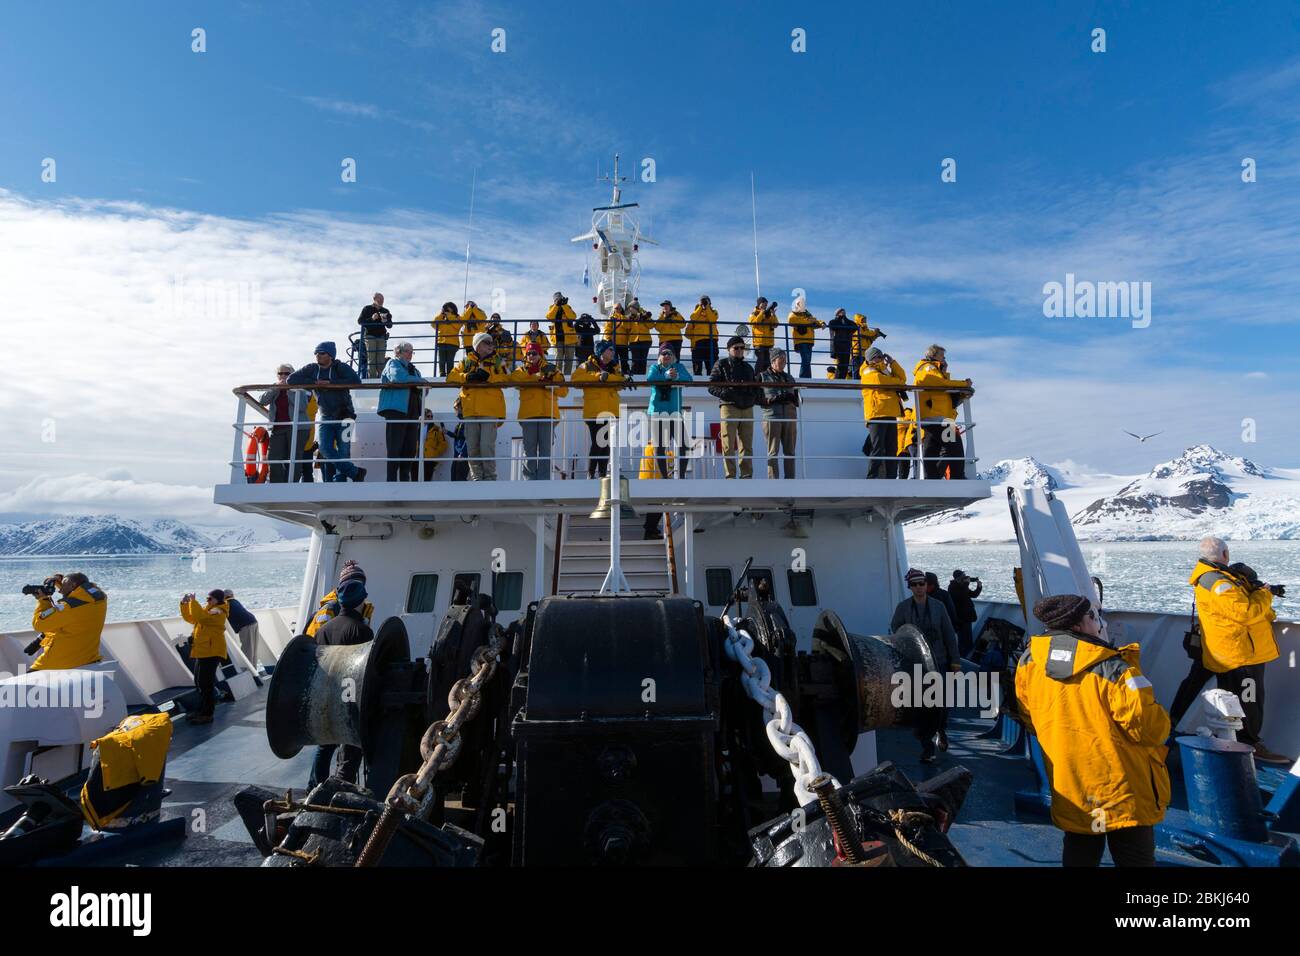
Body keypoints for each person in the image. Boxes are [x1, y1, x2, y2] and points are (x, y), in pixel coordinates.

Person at [1015, 594, 1170, 867]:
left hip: (1073, 785)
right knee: (1134, 857)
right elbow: (1151, 730)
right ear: (1078, 625)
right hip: (1122, 790)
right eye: (1094, 617)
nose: (1100, 623)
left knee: (1080, 852)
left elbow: (1029, 716)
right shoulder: (1116, 670)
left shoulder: (1029, 662)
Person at [1167, 537, 1288, 764]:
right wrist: (1265, 593)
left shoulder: (1217, 577)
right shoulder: (1218, 583)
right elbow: (1245, 613)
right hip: (1239, 654)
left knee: (1222, 693)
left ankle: (1176, 724)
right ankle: (1249, 743)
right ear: (1224, 554)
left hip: (1224, 647)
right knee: (1249, 699)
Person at [891, 568, 961, 762]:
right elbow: (896, 629)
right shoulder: (903, 608)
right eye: (915, 585)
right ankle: (927, 747)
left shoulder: (938, 607)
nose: (919, 588)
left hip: (940, 661)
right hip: (916, 664)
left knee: (944, 702)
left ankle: (942, 730)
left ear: (926, 585)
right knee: (922, 705)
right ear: (910, 587)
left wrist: (955, 661)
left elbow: (949, 634)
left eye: (921, 584)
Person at [308, 579, 372, 789]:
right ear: (360, 602)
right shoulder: (361, 631)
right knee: (351, 742)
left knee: (325, 745)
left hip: (325, 693)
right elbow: (362, 670)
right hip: (349, 691)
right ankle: (343, 785)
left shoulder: (324, 630)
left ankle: (315, 787)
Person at [287, 343, 366, 483]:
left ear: (330, 355)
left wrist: (330, 382)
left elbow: (356, 381)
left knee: (344, 451)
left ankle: (340, 480)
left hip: (345, 415)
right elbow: (291, 380)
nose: (318, 355)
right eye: (316, 353)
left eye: (322, 353)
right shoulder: (312, 368)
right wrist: (314, 382)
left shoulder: (340, 367)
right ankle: (355, 472)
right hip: (326, 417)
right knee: (324, 449)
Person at [447, 332, 509, 481]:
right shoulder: (466, 362)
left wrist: (489, 377)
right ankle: (477, 479)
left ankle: (489, 479)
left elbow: (508, 378)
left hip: (490, 410)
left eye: (492, 342)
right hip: (469, 410)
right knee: (473, 448)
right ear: (478, 345)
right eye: (487, 342)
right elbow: (451, 377)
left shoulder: (498, 361)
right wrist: (467, 376)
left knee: (486, 447)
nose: (491, 345)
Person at [510, 343, 568, 480]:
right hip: (528, 415)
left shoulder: (554, 370)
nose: (531, 356)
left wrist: (549, 383)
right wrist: (538, 377)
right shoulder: (521, 370)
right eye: (529, 353)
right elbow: (513, 379)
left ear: (540, 354)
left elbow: (564, 391)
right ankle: (530, 480)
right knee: (529, 449)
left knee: (545, 450)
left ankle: (544, 480)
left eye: (534, 353)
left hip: (548, 414)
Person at [913, 345, 972, 479]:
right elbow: (939, 383)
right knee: (954, 447)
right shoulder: (928, 368)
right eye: (942, 356)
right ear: (934, 355)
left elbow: (942, 387)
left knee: (932, 448)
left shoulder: (933, 369)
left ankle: (932, 477)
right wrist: (964, 384)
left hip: (935, 415)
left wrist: (944, 371)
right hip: (938, 416)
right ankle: (958, 477)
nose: (944, 358)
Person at [26, 573, 106, 671]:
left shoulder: (68, 607)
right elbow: (77, 588)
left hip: (60, 663)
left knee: (26, 683)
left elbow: (38, 625)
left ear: (72, 585)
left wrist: (43, 600)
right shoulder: (99, 599)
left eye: (63, 584)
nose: (60, 590)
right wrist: (59, 581)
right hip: (88, 659)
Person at [571, 340, 626, 478]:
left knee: (606, 443)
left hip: (610, 410)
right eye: (610, 350)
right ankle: (591, 472)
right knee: (598, 442)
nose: (613, 352)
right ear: (602, 352)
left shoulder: (615, 366)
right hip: (594, 411)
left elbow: (620, 382)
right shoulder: (587, 365)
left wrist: (609, 378)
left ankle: (601, 473)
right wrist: (598, 376)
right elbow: (574, 379)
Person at [708, 336, 758, 479]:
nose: (740, 350)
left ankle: (746, 475)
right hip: (729, 406)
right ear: (729, 349)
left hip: (747, 407)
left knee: (747, 444)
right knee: (728, 444)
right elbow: (711, 386)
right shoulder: (721, 364)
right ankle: (730, 475)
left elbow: (754, 387)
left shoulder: (748, 367)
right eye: (736, 348)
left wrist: (752, 398)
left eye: (742, 348)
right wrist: (726, 394)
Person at [378, 342, 427, 481]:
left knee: (410, 448)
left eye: (412, 352)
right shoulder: (393, 363)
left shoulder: (414, 370)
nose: (410, 354)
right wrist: (420, 381)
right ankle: (392, 481)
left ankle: (405, 480)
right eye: (407, 351)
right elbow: (398, 378)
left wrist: (422, 385)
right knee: (395, 448)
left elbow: (423, 390)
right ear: (398, 352)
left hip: (413, 411)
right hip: (396, 410)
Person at [179, 589, 229, 725]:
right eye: (207, 599)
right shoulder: (209, 610)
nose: (207, 601)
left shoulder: (219, 611)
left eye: (209, 599)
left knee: (205, 683)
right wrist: (185, 604)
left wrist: (194, 602)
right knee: (199, 681)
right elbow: (193, 618)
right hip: (203, 651)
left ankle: (207, 714)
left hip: (211, 652)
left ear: (217, 600)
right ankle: (201, 711)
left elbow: (201, 617)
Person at [257, 365, 312, 483]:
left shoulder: (298, 387)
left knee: (294, 458)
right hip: (278, 428)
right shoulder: (274, 388)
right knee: (273, 458)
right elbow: (262, 401)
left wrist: (288, 389)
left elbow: (302, 406)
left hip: (298, 428)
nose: (283, 376)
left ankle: (291, 484)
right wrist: (276, 388)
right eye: (280, 373)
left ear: (292, 375)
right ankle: (277, 485)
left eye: (286, 373)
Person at [860, 347, 908, 478]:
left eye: (881, 357)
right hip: (876, 414)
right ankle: (872, 477)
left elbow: (902, 378)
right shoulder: (868, 371)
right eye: (878, 357)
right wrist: (898, 383)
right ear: (870, 359)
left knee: (892, 448)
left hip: (890, 413)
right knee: (878, 448)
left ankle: (891, 477)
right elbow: (881, 381)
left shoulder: (883, 370)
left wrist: (893, 363)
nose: (880, 359)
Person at [305, 561, 375, 637]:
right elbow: (315, 637)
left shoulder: (365, 608)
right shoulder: (329, 609)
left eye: (359, 584)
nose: (355, 588)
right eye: (351, 584)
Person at [759, 349, 799, 479]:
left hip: (790, 417)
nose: (783, 364)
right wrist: (774, 399)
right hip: (772, 417)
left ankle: (790, 482)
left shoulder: (789, 378)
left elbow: (797, 398)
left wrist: (793, 399)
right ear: (773, 361)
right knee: (772, 452)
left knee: (790, 452)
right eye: (781, 361)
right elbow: (757, 399)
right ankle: (774, 483)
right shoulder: (762, 377)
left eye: (785, 361)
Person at [357, 292, 393, 378]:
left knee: (380, 360)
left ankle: (382, 380)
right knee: (371, 360)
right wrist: (372, 319)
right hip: (370, 337)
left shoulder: (385, 311)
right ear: (374, 299)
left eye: (382, 300)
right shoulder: (367, 309)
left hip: (381, 337)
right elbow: (360, 321)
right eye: (379, 299)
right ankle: (372, 379)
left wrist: (385, 321)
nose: (381, 301)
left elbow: (390, 325)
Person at [948, 570, 983, 659]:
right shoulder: (952, 587)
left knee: (968, 640)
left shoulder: (962, 586)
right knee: (963, 640)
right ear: (958, 578)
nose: (965, 577)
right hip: (960, 619)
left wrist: (979, 587)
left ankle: (967, 658)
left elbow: (973, 595)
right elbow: (960, 597)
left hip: (967, 618)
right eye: (963, 576)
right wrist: (966, 584)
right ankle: (961, 659)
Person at [788, 298, 824, 378]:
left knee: (807, 360)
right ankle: (804, 377)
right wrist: (809, 321)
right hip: (801, 340)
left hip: (809, 340)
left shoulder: (807, 314)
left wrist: (821, 323)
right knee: (806, 360)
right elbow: (791, 320)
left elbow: (815, 321)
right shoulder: (794, 313)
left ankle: (807, 377)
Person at [223, 589, 260, 664]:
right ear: (232, 595)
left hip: (247, 625)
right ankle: (253, 670)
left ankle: (249, 671)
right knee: (253, 650)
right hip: (253, 621)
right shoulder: (235, 602)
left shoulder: (227, 603)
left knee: (247, 650)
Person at [687, 296, 719, 375]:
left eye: (706, 301)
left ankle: (712, 378)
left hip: (712, 340)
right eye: (703, 301)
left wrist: (707, 307)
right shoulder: (696, 313)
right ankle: (698, 377)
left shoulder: (714, 311)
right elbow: (692, 318)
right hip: (699, 340)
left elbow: (712, 319)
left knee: (712, 362)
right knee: (697, 362)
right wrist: (700, 307)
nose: (704, 303)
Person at [547, 292, 577, 374]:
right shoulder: (552, 307)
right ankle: (558, 376)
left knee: (569, 359)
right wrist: (556, 306)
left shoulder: (567, 307)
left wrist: (564, 305)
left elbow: (572, 317)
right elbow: (549, 317)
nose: (559, 299)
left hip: (569, 338)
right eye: (557, 299)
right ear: (554, 300)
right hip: (557, 338)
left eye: (560, 298)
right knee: (558, 359)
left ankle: (567, 376)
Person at [433, 302, 462, 377]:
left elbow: (458, 326)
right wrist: (441, 314)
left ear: (453, 308)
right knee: (441, 361)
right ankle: (442, 374)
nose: (447, 309)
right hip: (441, 342)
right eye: (445, 308)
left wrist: (449, 315)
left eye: (448, 308)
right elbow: (433, 324)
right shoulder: (441, 317)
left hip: (452, 343)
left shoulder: (457, 317)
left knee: (450, 361)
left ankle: (450, 375)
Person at [827, 309, 858, 379]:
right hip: (837, 345)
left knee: (846, 364)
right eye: (841, 312)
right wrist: (840, 318)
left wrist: (845, 319)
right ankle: (838, 379)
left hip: (846, 345)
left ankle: (841, 378)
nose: (843, 313)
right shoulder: (833, 321)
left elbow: (855, 327)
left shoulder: (847, 322)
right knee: (841, 364)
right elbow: (832, 325)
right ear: (837, 314)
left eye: (844, 312)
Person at [748, 297, 776, 374]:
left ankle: (767, 377)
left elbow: (775, 324)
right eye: (763, 304)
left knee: (768, 362)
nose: (765, 306)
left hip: (768, 343)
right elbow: (754, 323)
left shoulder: (768, 314)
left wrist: (773, 315)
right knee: (761, 360)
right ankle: (757, 376)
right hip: (759, 342)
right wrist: (761, 313)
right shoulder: (753, 313)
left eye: (766, 305)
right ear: (759, 304)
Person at [627, 301, 654, 374]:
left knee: (643, 359)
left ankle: (642, 375)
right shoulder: (629, 317)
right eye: (629, 308)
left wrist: (645, 318)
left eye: (631, 307)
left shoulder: (644, 314)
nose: (630, 309)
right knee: (635, 360)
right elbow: (627, 327)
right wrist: (630, 319)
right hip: (634, 340)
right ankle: (634, 375)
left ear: (635, 308)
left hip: (645, 340)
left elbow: (651, 326)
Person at [603, 304, 632, 371]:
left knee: (624, 361)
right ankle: (616, 375)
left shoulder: (624, 318)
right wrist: (609, 339)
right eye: (616, 308)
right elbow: (607, 329)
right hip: (614, 343)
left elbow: (628, 327)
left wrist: (622, 317)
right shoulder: (611, 318)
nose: (618, 309)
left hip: (623, 343)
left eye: (619, 308)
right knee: (614, 361)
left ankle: (625, 374)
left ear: (621, 309)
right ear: (614, 309)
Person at [421, 412, 449, 481]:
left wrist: (434, 453)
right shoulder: (416, 427)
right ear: (423, 417)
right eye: (428, 416)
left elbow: (444, 445)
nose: (430, 418)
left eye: (431, 416)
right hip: (416, 459)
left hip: (429, 459)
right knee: (414, 482)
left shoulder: (436, 429)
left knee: (427, 481)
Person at [897, 406, 917, 479]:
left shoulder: (904, 413)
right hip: (901, 449)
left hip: (901, 449)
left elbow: (907, 421)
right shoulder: (906, 413)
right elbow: (908, 421)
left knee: (903, 472)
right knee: (903, 472)